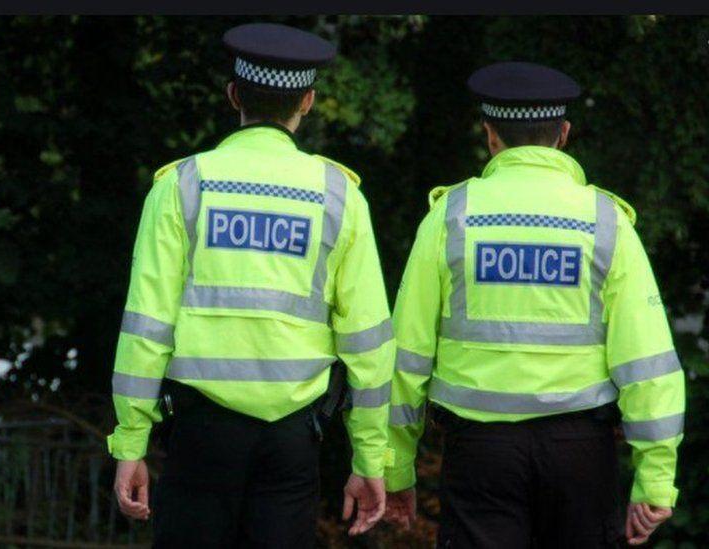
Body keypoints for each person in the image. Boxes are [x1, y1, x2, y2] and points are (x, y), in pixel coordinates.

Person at [107, 22, 395, 548]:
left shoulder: (181, 186)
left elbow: (146, 327)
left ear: (234, 94)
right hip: (292, 438)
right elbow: (369, 344)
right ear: (307, 102)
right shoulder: (340, 197)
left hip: (199, 434)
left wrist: (131, 442)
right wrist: (370, 457)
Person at [383, 61, 685, 547]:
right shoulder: (606, 221)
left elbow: (405, 358)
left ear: (490, 135)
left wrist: (394, 466)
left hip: (480, 454)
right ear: (563, 133)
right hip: (581, 453)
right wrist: (655, 476)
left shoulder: (451, 217)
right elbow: (646, 361)